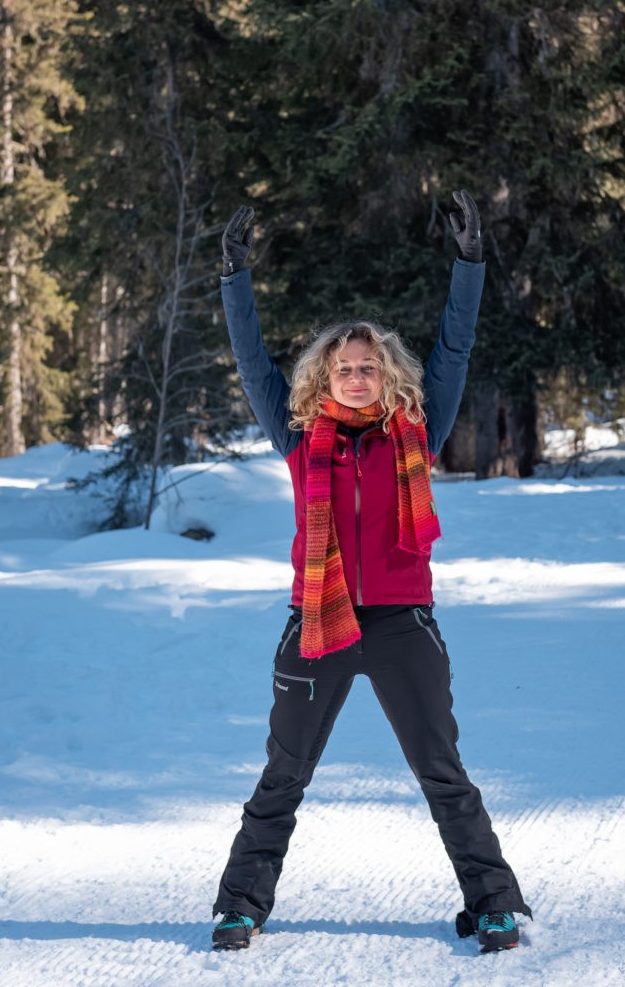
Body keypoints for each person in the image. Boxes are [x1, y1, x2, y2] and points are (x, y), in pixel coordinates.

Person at [212, 191, 532, 953]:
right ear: (322, 380)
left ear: (387, 376)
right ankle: (241, 905)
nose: (356, 377)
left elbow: (454, 350)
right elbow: (251, 359)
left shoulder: (416, 432)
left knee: (441, 770)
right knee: (283, 776)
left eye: (367, 367)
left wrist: (470, 265)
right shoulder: (298, 442)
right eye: (343, 367)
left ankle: (493, 902)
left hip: (400, 623)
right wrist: (233, 277)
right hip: (318, 623)